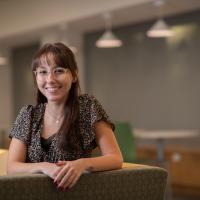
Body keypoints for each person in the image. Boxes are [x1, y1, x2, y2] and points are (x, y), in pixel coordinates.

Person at [7, 42, 123, 190]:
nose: (50, 79)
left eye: (59, 71)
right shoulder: (28, 114)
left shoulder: (88, 107)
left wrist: (82, 164)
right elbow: (12, 167)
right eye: (43, 72)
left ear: (74, 75)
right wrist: (44, 167)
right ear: (36, 76)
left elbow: (115, 158)